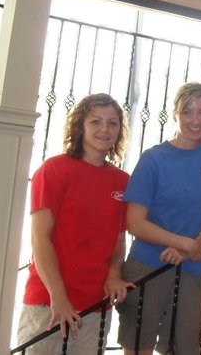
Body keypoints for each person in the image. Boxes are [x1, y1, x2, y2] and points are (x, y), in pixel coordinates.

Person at [117, 83, 201, 355]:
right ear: (175, 114)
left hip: (191, 268)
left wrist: (189, 249)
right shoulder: (153, 159)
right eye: (187, 112)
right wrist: (185, 243)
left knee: (184, 347)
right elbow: (135, 223)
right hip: (147, 265)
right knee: (139, 346)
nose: (195, 120)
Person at [17, 93, 132, 354]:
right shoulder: (54, 169)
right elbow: (39, 239)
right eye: (96, 121)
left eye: (112, 123)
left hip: (96, 307)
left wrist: (114, 273)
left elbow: (118, 240)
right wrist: (58, 297)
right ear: (80, 125)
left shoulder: (123, 181)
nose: (105, 129)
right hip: (48, 304)